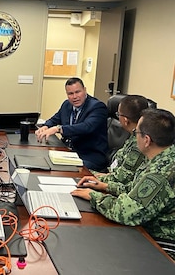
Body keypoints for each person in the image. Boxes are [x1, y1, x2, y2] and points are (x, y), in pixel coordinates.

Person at [72, 108, 175, 260]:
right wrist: (106, 186)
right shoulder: (162, 156)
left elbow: (126, 212)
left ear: (146, 140)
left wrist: (94, 196)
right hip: (144, 226)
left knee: (90, 250)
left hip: (160, 240)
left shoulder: (160, 173)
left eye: (137, 133)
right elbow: (135, 190)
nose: (134, 136)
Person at [35, 77, 108, 171]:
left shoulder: (97, 107)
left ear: (85, 90)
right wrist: (46, 126)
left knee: (59, 168)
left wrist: (59, 129)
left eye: (78, 92)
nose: (74, 97)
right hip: (68, 152)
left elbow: (86, 127)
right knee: (44, 160)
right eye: (70, 93)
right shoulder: (67, 104)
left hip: (89, 156)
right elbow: (55, 119)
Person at [95, 95, 149, 193]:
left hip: (118, 190)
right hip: (111, 178)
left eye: (118, 114)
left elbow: (122, 178)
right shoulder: (133, 135)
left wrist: (93, 177)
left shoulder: (139, 143)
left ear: (125, 120)